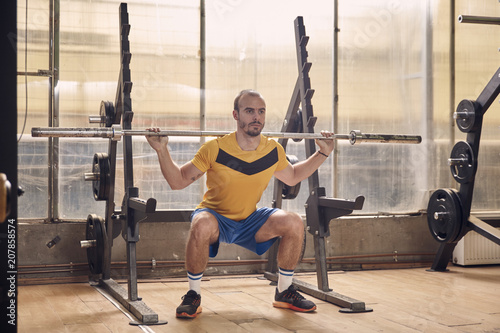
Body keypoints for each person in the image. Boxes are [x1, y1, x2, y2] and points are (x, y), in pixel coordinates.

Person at [146, 89, 334, 319]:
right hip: (216, 218)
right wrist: (162, 150)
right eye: (249, 111)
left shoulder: (273, 150)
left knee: (293, 221)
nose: (256, 116)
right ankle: (193, 295)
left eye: (261, 111)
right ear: (236, 115)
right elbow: (178, 181)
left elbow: (293, 176)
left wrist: (322, 154)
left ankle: (284, 290)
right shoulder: (215, 148)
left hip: (250, 220)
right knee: (201, 223)